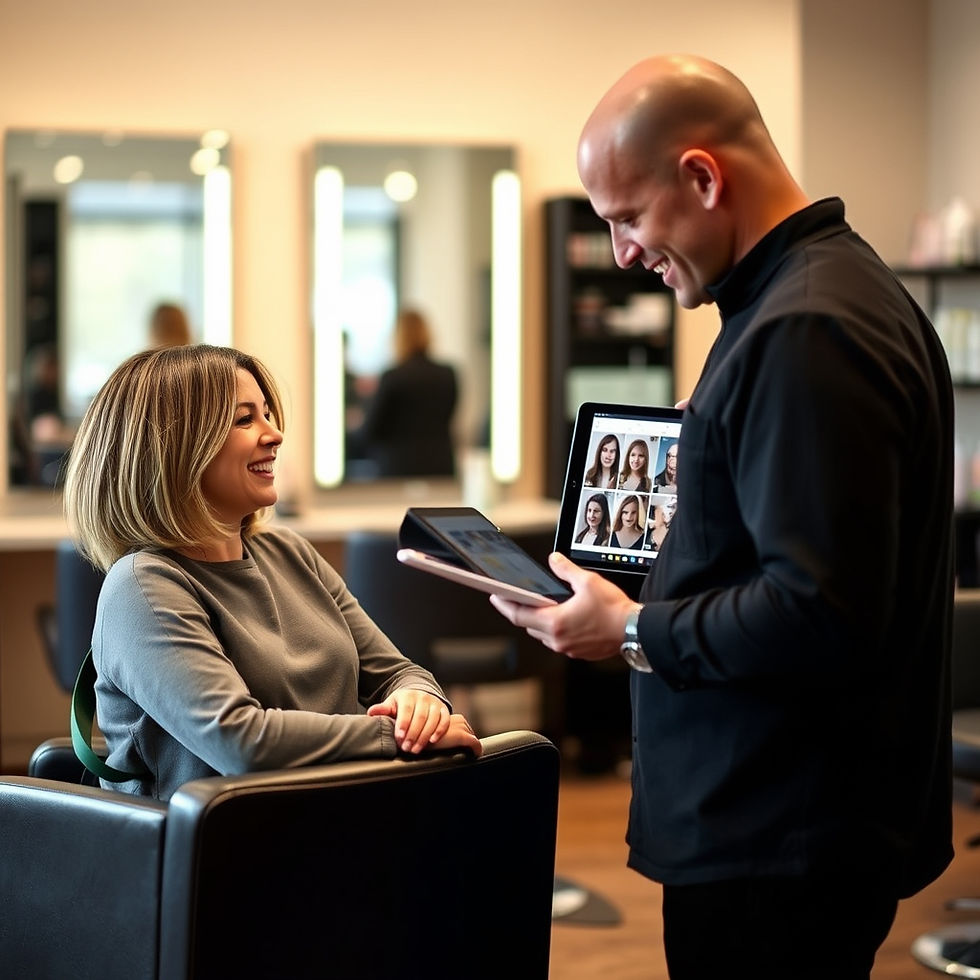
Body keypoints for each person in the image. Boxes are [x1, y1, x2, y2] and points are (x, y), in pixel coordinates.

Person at [491, 54, 953, 980]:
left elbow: (818, 610)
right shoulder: (821, 296)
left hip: (777, 838)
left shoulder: (805, 327)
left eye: (627, 218)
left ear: (702, 176)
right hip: (786, 822)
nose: (623, 253)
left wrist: (627, 630)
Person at [62, 343, 481, 802]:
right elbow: (242, 743)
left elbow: (396, 673)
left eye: (267, 414)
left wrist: (422, 705)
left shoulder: (289, 551)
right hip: (225, 858)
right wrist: (393, 737)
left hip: (335, 829)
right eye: (245, 419)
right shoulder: (142, 586)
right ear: (175, 449)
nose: (275, 434)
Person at [359, 308, 458, 478]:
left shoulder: (393, 377)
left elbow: (372, 431)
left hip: (398, 468)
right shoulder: (447, 374)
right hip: (440, 466)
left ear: (398, 338)